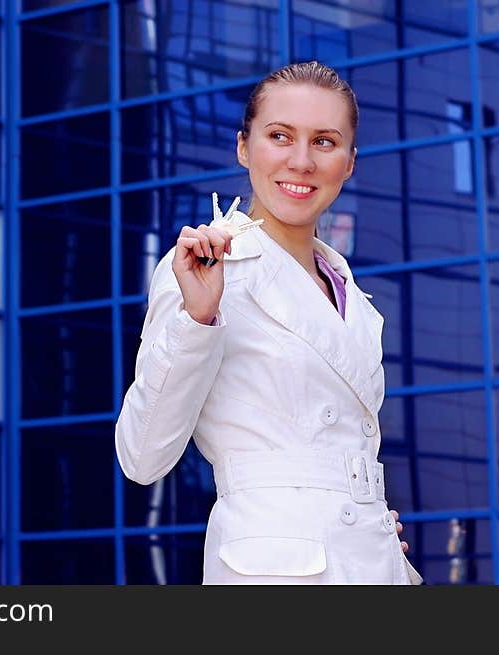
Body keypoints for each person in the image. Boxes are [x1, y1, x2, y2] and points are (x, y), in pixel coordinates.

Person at [115, 61, 423, 585]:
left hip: (365, 559)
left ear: (349, 162)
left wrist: (363, 512)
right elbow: (141, 456)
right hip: (277, 568)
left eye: (325, 142)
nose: (300, 161)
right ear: (244, 147)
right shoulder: (206, 264)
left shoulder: (351, 293)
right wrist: (199, 318)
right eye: (280, 136)